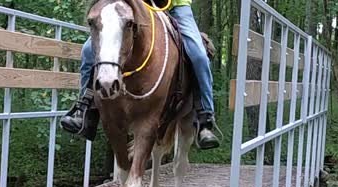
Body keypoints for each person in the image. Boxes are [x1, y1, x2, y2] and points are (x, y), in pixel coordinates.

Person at [60, 0, 220, 150]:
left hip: (175, 6)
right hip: (135, 5)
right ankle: (86, 109)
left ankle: (204, 118)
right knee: (88, 50)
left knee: (198, 55)